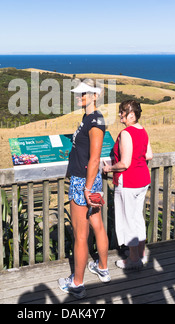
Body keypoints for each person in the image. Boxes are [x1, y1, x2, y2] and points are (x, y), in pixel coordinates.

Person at [58, 79, 110, 299]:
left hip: (83, 182)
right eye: (79, 94)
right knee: (97, 225)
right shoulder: (88, 118)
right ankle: (103, 269)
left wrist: (87, 189)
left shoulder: (96, 122)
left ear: (95, 95)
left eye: (85, 94)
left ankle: (77, 284)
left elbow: (95, 158)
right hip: (90, 181)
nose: (79, 97)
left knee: (81, 234)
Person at [103, 100, 153, 270]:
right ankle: (141, 254)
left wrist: (109, 168)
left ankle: (133, 259)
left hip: (129, 181)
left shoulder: (126, 133)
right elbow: (149, 155)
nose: (119, 115)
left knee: (128, 219)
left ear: (131, 114)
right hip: (143, 180)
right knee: (137, 217)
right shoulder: (142, 130)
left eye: (122, 112)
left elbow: (124, 163)